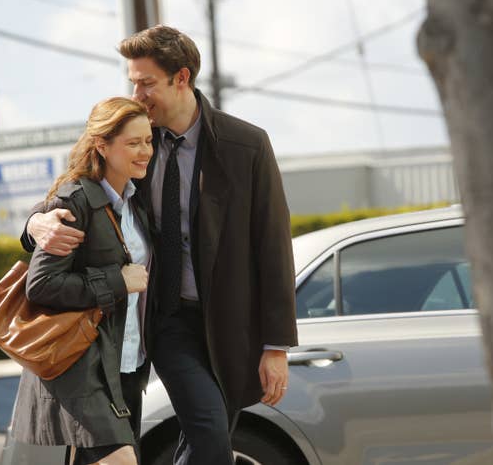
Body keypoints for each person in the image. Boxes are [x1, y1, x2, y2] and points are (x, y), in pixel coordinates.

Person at [23, 25, 298, 464]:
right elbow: (73, 190)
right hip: (165, 319)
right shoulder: (132, 142)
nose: (137, 92)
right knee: (210, 435)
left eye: (146, 82)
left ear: (182, 78)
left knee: (206, 441)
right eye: (133, 81)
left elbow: (273, 248)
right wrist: (36, 222)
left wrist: (276, 346)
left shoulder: (246, 145)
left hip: (230, 326)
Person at [12, 97, 154, 465]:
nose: (145, 152)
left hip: (128, 366)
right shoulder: (74, 201)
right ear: (102, 146)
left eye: (148, 141)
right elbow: (41, 285)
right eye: (133, 143)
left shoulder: (136, 199)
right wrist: (117, 281)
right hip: (84, 369)